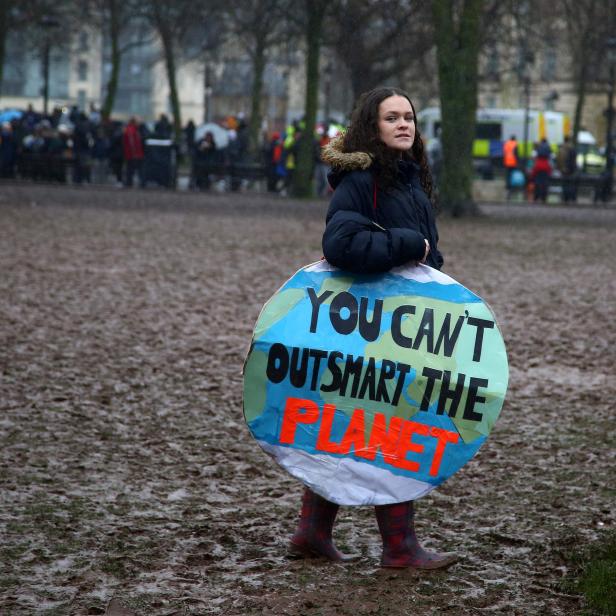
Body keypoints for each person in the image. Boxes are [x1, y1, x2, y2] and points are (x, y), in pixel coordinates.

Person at [288, 87, 456, 570]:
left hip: (401, 325)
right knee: (391, 428)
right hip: (367, 327)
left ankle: (311, 532)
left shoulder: (408, 178)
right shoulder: (362, 181)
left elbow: (424, 254)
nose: (404, 125)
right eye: (392, 118)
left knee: (351, 428)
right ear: (371, 127)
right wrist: (409, 243)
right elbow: (341, 245)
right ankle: (400, 548)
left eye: (409, 117)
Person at [530, 138, 552, 203]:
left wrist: (532, 174)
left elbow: (535, 168)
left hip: (539, 167)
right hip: (545, 168)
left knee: (537, 184)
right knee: (545, 184)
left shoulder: (539, 148)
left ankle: (536, 197)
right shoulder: (548, 147)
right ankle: (543, 198)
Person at [556, 135, 577, 203]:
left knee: (565, 184)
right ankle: (571, 197)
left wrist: (560, 167)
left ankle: (565, 197)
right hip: (572, 169)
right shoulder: (573, 148)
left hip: (564, 169)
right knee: (571, 184)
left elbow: (559, 159)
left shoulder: (562, 148)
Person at [503, 134, 519, 199]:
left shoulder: (506, 144)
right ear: (514, 139)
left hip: (507, 161)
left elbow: (504, 153)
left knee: (508, 175)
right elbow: (516, 154)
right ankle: (511, 187)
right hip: (513, 162)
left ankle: (507, 186)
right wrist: (517, 162)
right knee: (512, 175)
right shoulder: (515, 144)